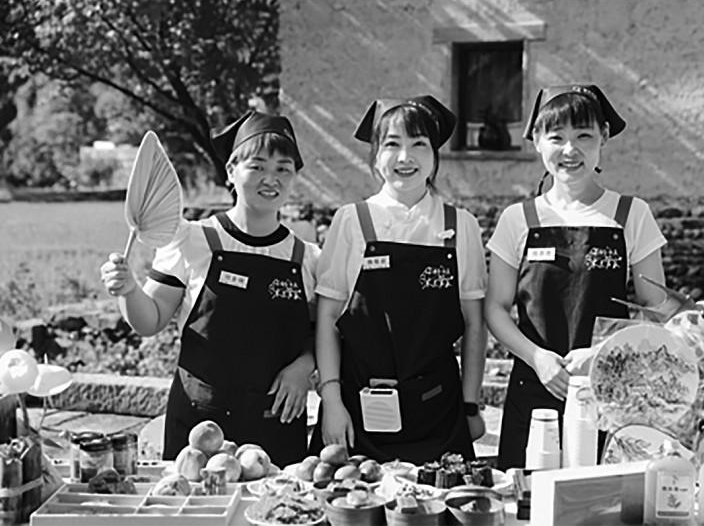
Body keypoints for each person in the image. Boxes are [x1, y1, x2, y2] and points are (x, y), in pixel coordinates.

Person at [100, 111, 319, 467]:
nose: (271, 179)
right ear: (231, 171)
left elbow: (321, 334)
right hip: (200, 424)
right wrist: (128, 290)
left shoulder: (306, 257)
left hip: (277, 422)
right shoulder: (192, 239)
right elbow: (149, 320)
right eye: (257, 166)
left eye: (283, 168)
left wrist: (304, 367)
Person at [485, 85, 673, 470]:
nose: (570, 150)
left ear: (604, 137)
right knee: (526, 497)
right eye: (556, 137)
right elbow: (496, 308)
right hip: (534, 389)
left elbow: (656, 307)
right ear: (537, 141)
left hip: (609, 393)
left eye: (584, 136)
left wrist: (603, 354)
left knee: (603, 498)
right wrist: (537, 358)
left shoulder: (630, 214)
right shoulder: (518, 219)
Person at [309, 95, 487, 464]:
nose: (405, 157)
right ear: (375, 156)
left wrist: (470, 404)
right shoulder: (352, 220)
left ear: (435, 156)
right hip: (356, 411)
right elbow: (328, 317)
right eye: (392, 144)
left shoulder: (460, 225)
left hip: (438, 411)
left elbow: (474, 323)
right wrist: (332, 401)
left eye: (419, 144)